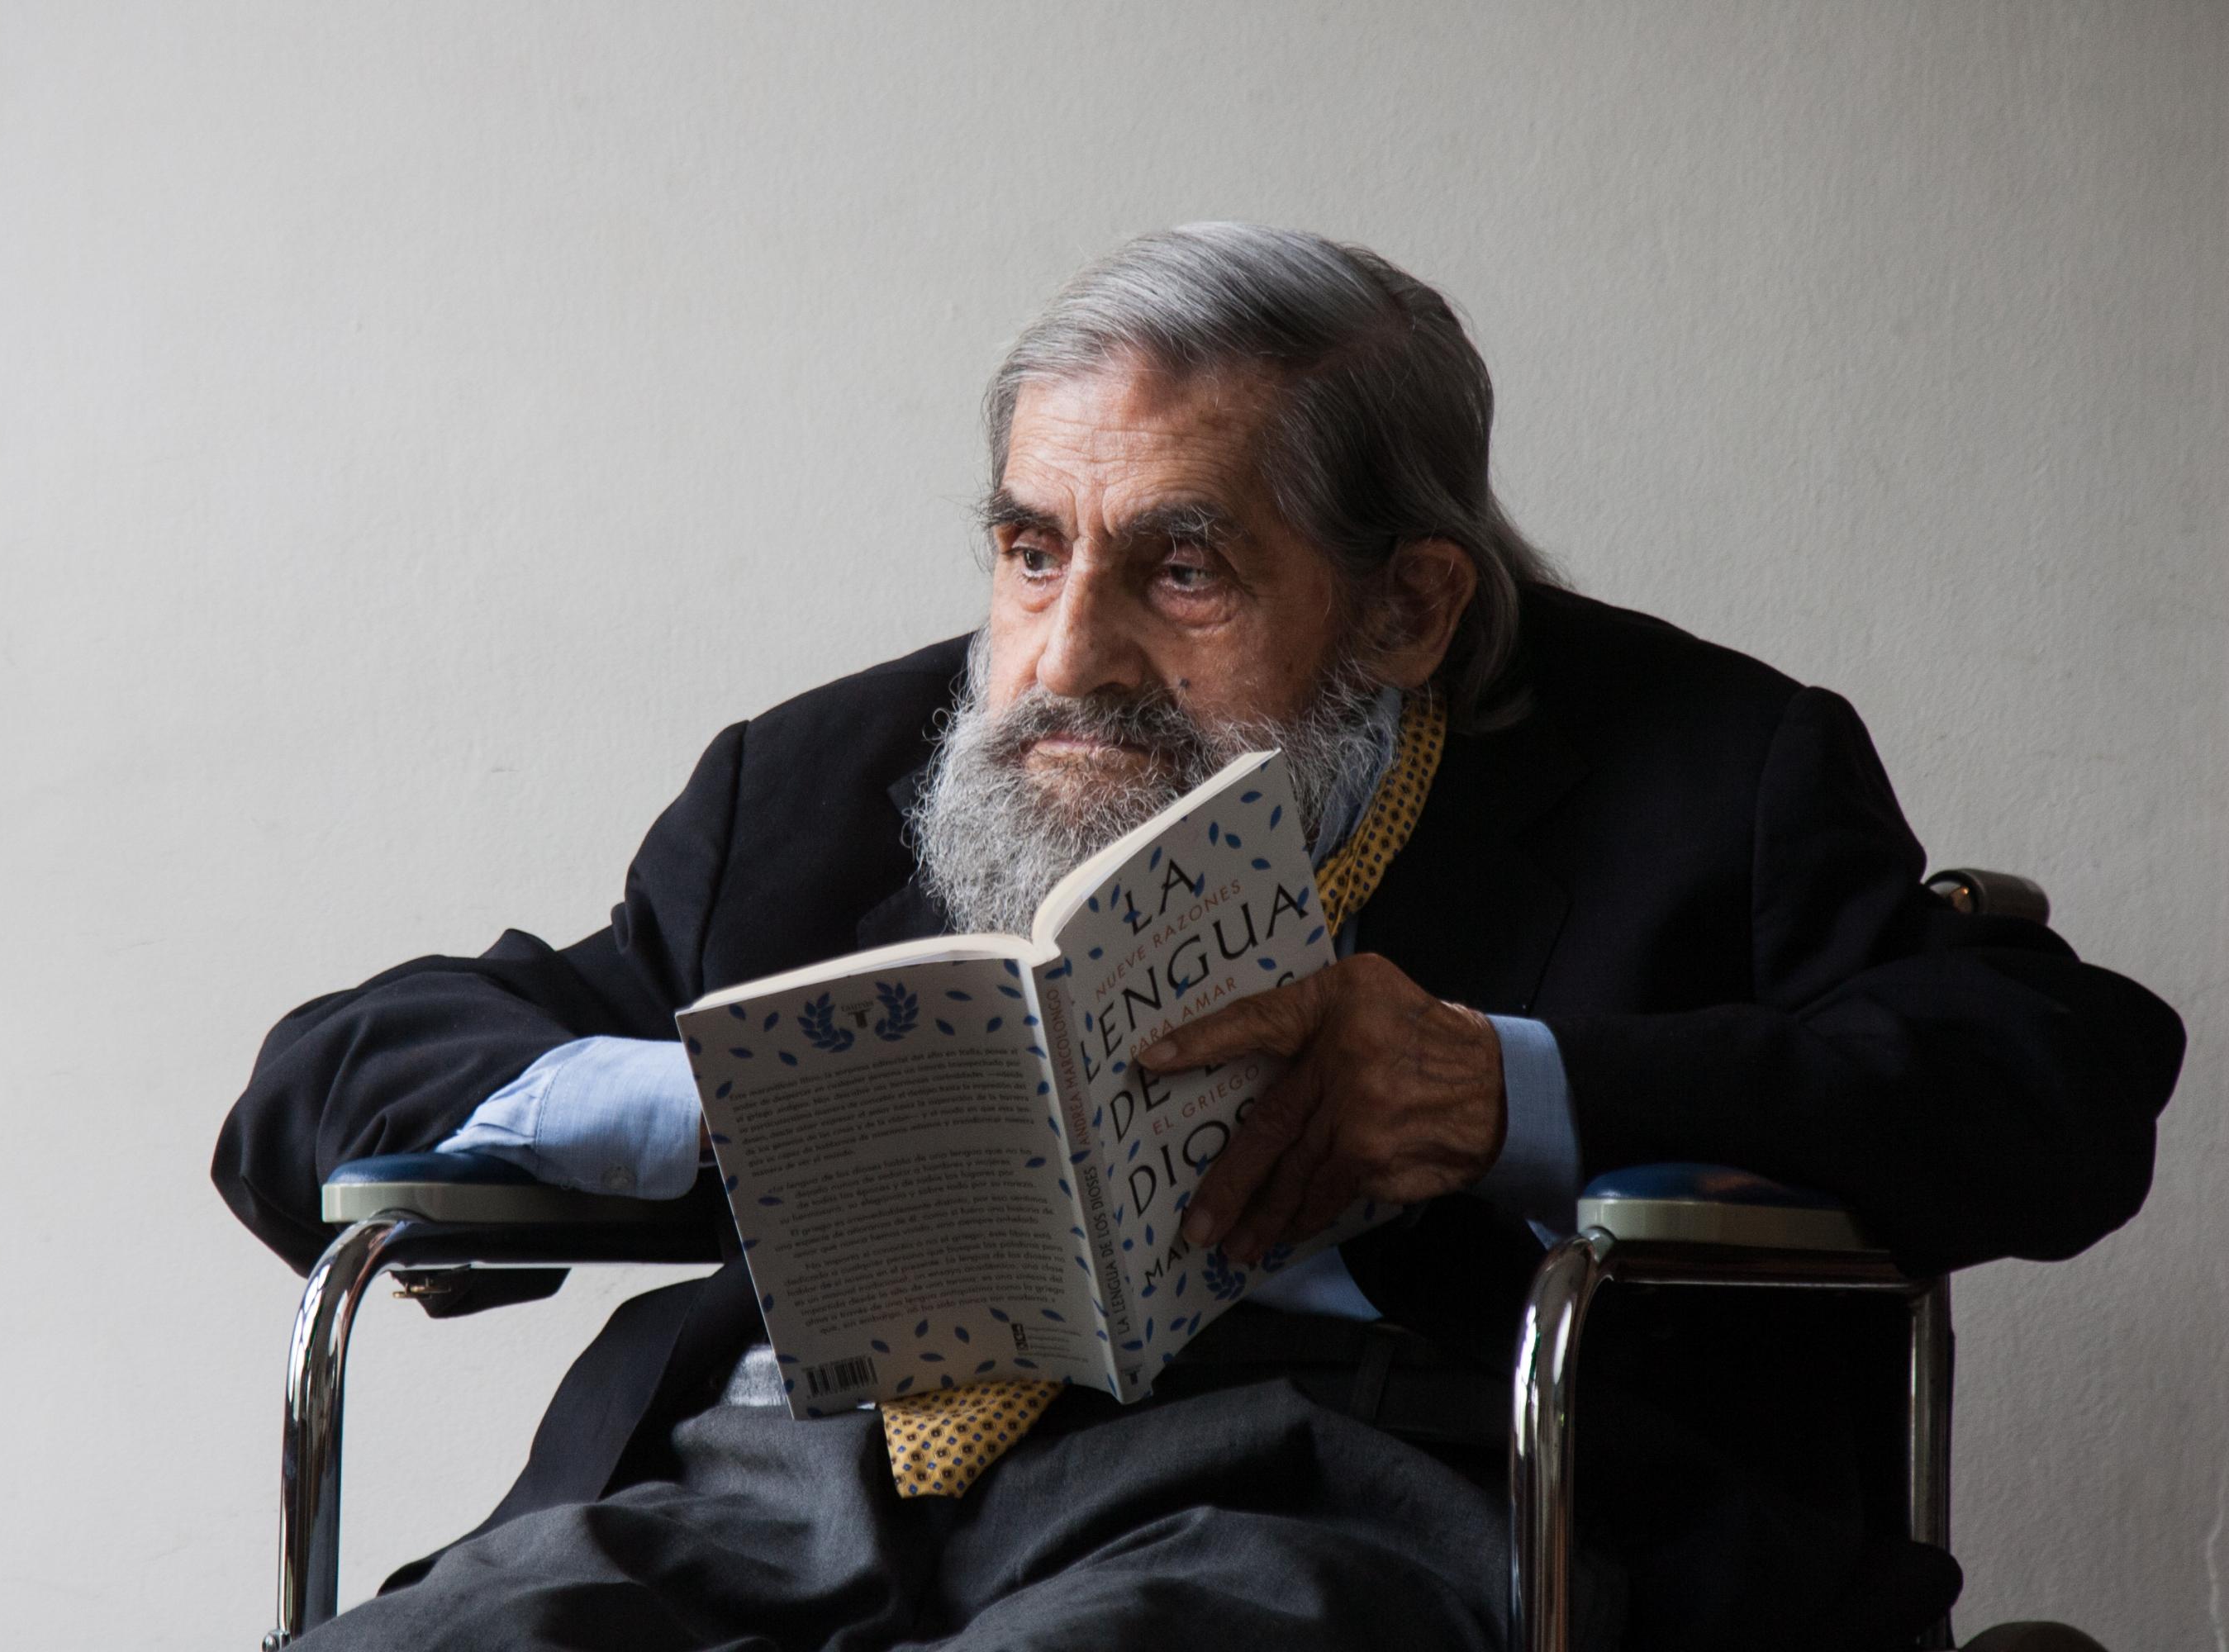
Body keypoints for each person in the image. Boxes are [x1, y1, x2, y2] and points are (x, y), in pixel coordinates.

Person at [216, 223, 2184, 1651]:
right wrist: (728, 1109)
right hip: (773, 1483)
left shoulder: (1703, 768)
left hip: (1367, 1486)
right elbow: (317, 1088)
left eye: (1183, 566)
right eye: (1028, 549)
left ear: (1412, 606)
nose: (1068, 657)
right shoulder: (810, 785)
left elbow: (2060, 1079)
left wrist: (1494, 1089)